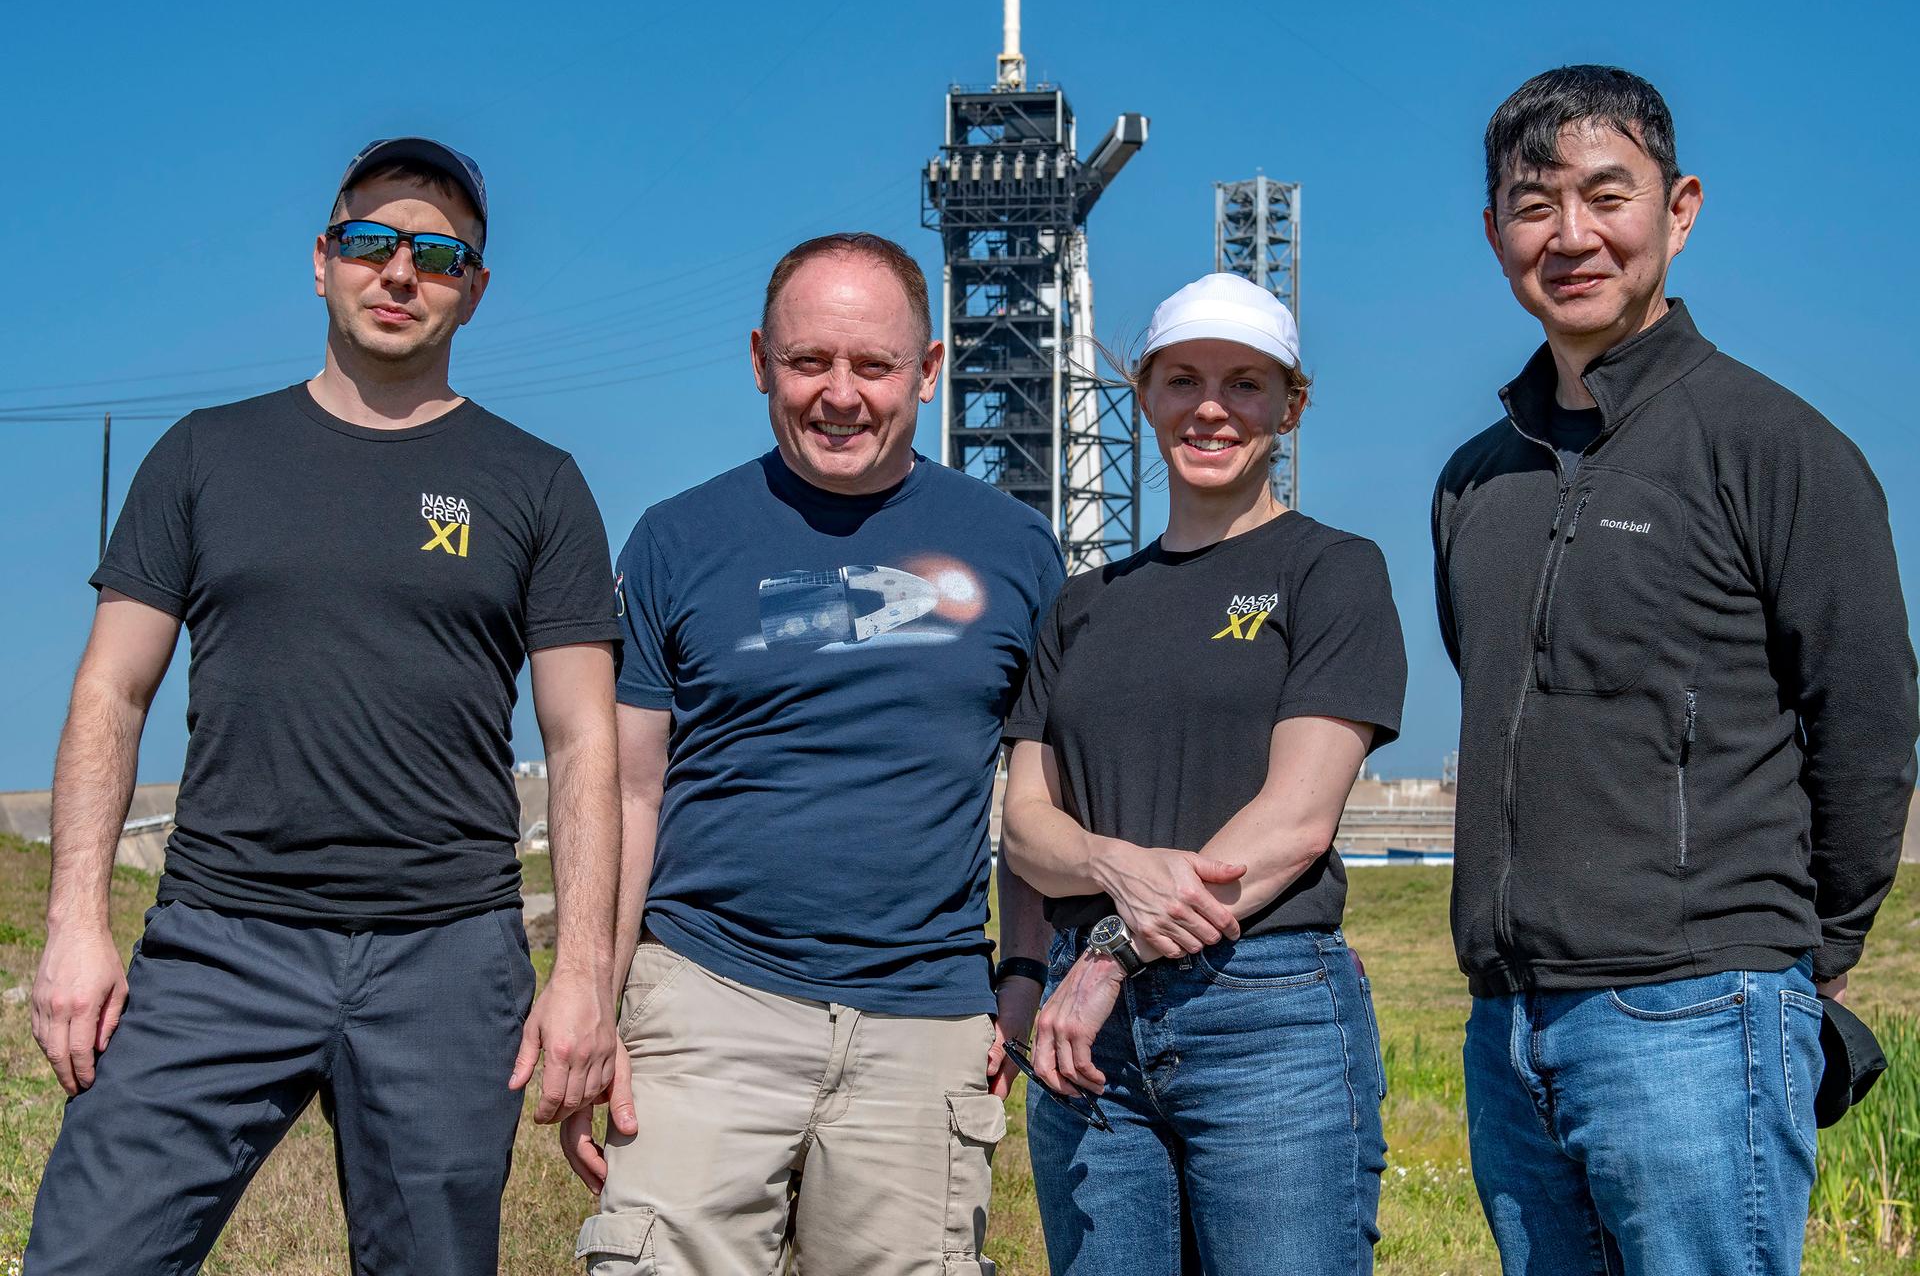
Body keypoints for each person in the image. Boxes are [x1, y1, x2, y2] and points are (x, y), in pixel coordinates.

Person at [26, 137, 624, 1275]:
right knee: (86, 1255)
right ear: (322, 260)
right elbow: (112, 687)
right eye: (370, 241)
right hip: (218, 941)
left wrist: (584, 976)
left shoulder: (537, 483)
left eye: (440, 255)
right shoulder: (206, 455)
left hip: (447, 957)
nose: (400, 273)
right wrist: (73, 923)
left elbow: (585, 737)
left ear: (476, 289)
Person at [1433, 66, 1917, 1274]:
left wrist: (1813, 947)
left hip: (1699, 1010)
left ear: (1680, 208)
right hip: (1509, 1023)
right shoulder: (1472, 482)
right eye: (1535, 204)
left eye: (1609, 195)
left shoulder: (1778, 448)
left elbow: (1865, 720)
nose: (1573, 234)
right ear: (1494, 230)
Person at [563, 232, 1065, 1275]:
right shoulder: (675, 540)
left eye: (874, 365)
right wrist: (596, 998)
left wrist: (1020, 974)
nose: (840, 394)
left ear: (929, 370)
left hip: (922, 1018)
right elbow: (629, 790)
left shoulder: (1016, 553)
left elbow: (1036, 796)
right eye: (808, 363)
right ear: (759, 360)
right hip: (709, 999)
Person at [999, 271, 1407, 1275]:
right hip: (1089, 1040)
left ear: (1291, 406)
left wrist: (1108, 952)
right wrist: (1110, 863)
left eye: (1245, 383)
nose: (1211, 408)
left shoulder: (1332, 570)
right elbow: (1024, 825)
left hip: (1261, 1006)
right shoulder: (1080, 605)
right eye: (1182, 380)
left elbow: (1297, 818)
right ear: (1141, 391)